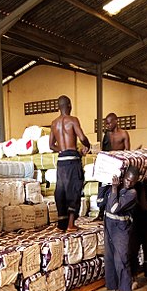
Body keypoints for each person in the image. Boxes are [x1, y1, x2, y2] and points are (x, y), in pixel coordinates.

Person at [97, 166, 139, 291]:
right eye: (127, 179)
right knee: (110, 258)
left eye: (132, 181)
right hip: (109, 224)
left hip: (121, 228)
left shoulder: (132, 193)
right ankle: (117, 288)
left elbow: (115, 208)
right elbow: (100, 202)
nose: (129, 183)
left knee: (121, 259)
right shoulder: (115, 187)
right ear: (124, 176)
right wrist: (104, 184)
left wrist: (114, 189)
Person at [49, 95, 90, 232]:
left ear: (58, 108)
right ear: (70, 106)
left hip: (61, 161)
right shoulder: (73, 120)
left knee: (61, 190)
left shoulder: (54, 123)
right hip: (72, 160)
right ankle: (71, 224)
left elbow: (51, 145)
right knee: (74, 189)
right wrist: (87, 145)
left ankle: (61, 225)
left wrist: (61, 149)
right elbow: (82, 137)